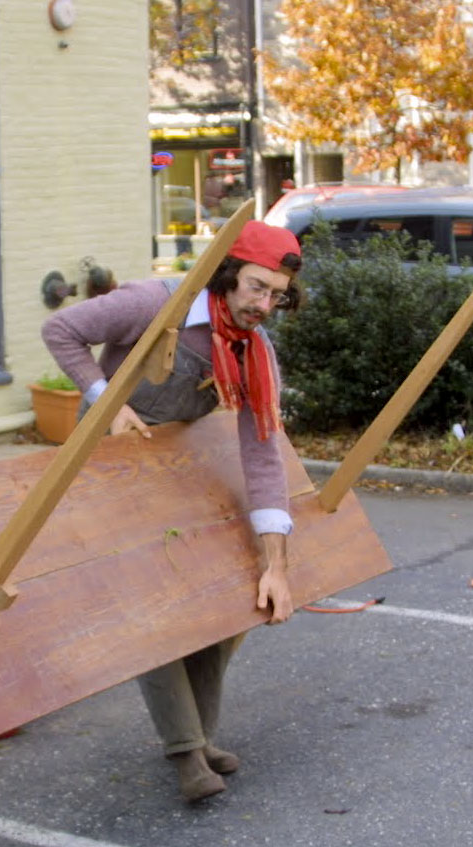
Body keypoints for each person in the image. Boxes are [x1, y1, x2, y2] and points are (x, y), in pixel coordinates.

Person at [40, 221, 303, 803]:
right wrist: (103, 401)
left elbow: (263, 454)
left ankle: (202, 737)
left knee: (223, 602)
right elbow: (59, 329)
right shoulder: (153, 304)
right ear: (229, 274)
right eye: (257, 287)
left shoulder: (254, 353)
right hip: (107, 475)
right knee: (150, 610)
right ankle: (185, 753)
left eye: (276, 296)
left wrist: (274, 564)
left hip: (174, 477)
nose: (264, 304)